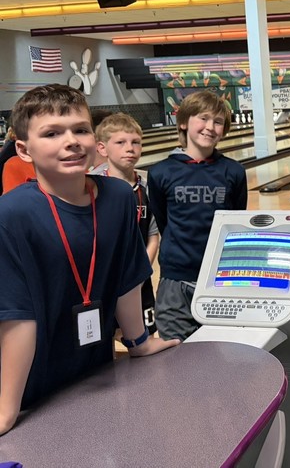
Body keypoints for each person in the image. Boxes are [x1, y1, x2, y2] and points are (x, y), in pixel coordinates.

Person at [0, 84, 178, 436]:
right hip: (28, 384)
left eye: (80, 129)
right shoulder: (12, 213)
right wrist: (7, 409)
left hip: (93, 370)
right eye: (51, 133)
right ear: (23, 149)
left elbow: (127, 277)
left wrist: (138, 341)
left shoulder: (117, 197)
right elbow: (17, 315)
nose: (72, 141)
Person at [148, 91, 247, 341]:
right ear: (183, 122)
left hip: (220, 279)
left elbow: (236, 225)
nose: (210, 127)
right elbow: (163, 222)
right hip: (175, 279)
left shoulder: (233, 172)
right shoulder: (161, 172)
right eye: (203, 119)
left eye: (218, 122)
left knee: (221, 356)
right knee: (176, 357)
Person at [94, 113, 160, 336]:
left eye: (135, 142)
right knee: (104, 341)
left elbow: (153, 235)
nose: (130, 148)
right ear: (102, 148)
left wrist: (141, 272)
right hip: (103, 278)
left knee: (143, 337)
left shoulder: (147, 186)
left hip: (140, 280)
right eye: (120, 142)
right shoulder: (91, 185)